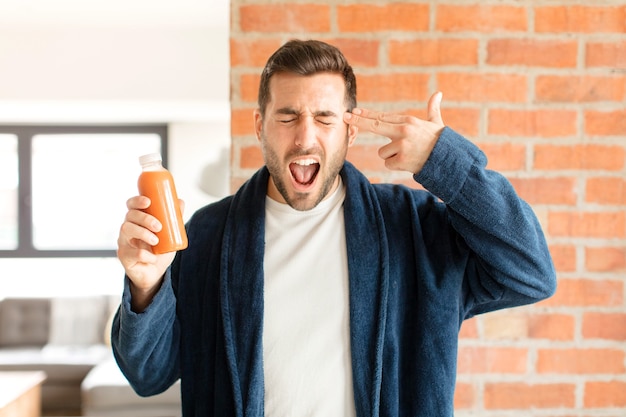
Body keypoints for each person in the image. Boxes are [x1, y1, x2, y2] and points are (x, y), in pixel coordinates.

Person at [112, 39, 556, 416]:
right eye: (287, 117)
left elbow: (530, 272)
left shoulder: (414, 228)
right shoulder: (209, 236)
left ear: (350, 131)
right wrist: (147, 286)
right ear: (259, 126)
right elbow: (148, 375)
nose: (305, 138)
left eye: (325, 118)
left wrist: (446, 162)